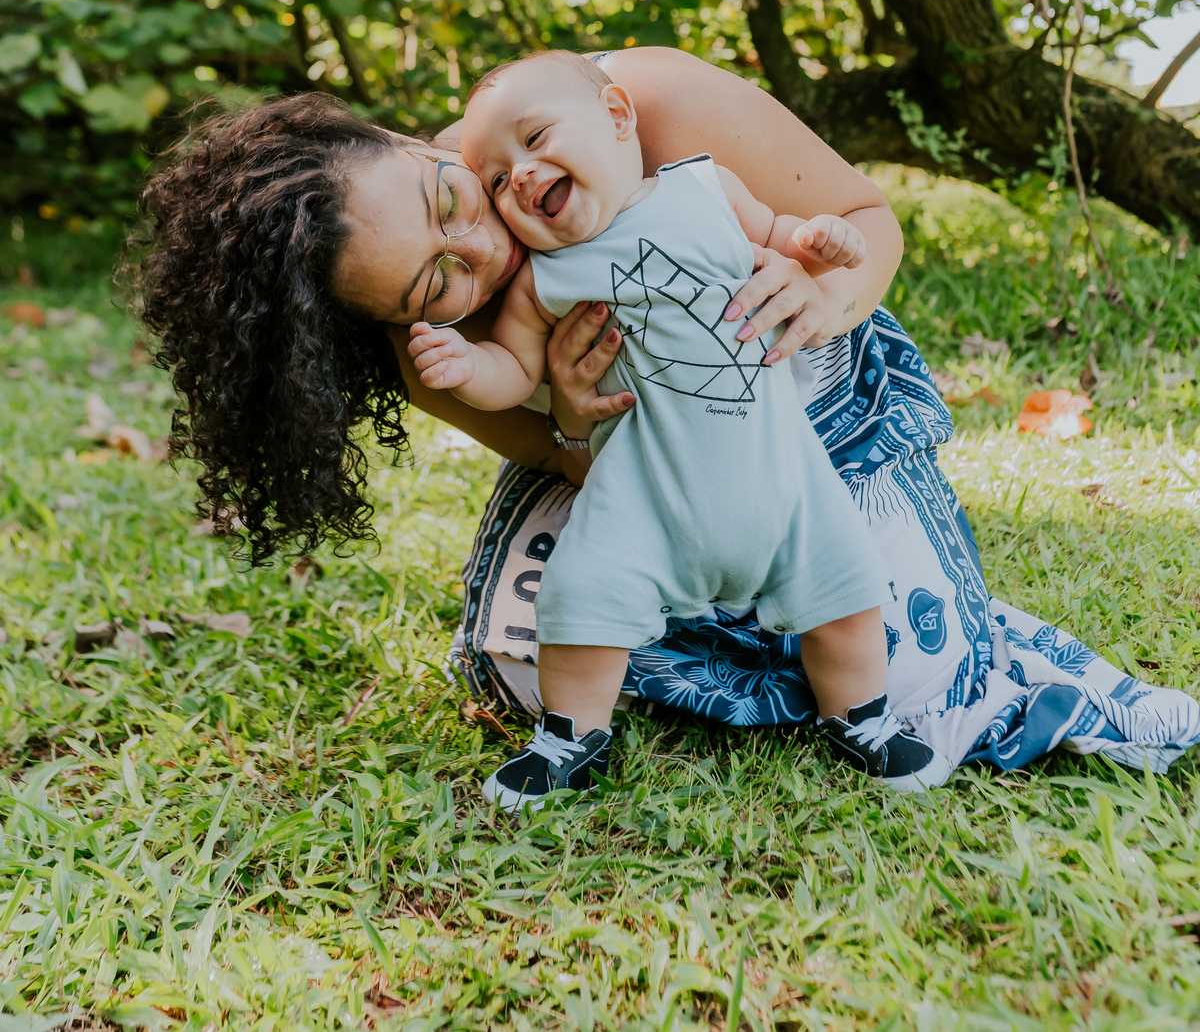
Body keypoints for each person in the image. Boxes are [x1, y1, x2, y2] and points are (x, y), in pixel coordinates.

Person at [135, 47, 1200, 780]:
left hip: (810, 404)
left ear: (410, 140)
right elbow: (562, 458)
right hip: (646, 466)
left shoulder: (624, 99)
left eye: (449, 200)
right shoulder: (438, 351)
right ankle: (798, 654)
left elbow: (865, 218)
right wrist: (579, 417)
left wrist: (826, 290)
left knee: (924, 672)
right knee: (523, 657)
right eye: (435, 283)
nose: (484, 250)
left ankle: (883, 650)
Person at [411, 51, 947, 805]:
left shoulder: (706, 187)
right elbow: (512, 368)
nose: (522, 175)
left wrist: (821, 249)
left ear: (620, 118)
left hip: (784, 477)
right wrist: (466, 365)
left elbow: (786, 235)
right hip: (643, 497)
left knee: (847, 592)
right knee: (578, 600)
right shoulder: (546, 277)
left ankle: (860, 719)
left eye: (535, 140)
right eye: (498, 180)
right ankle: (570, 735)